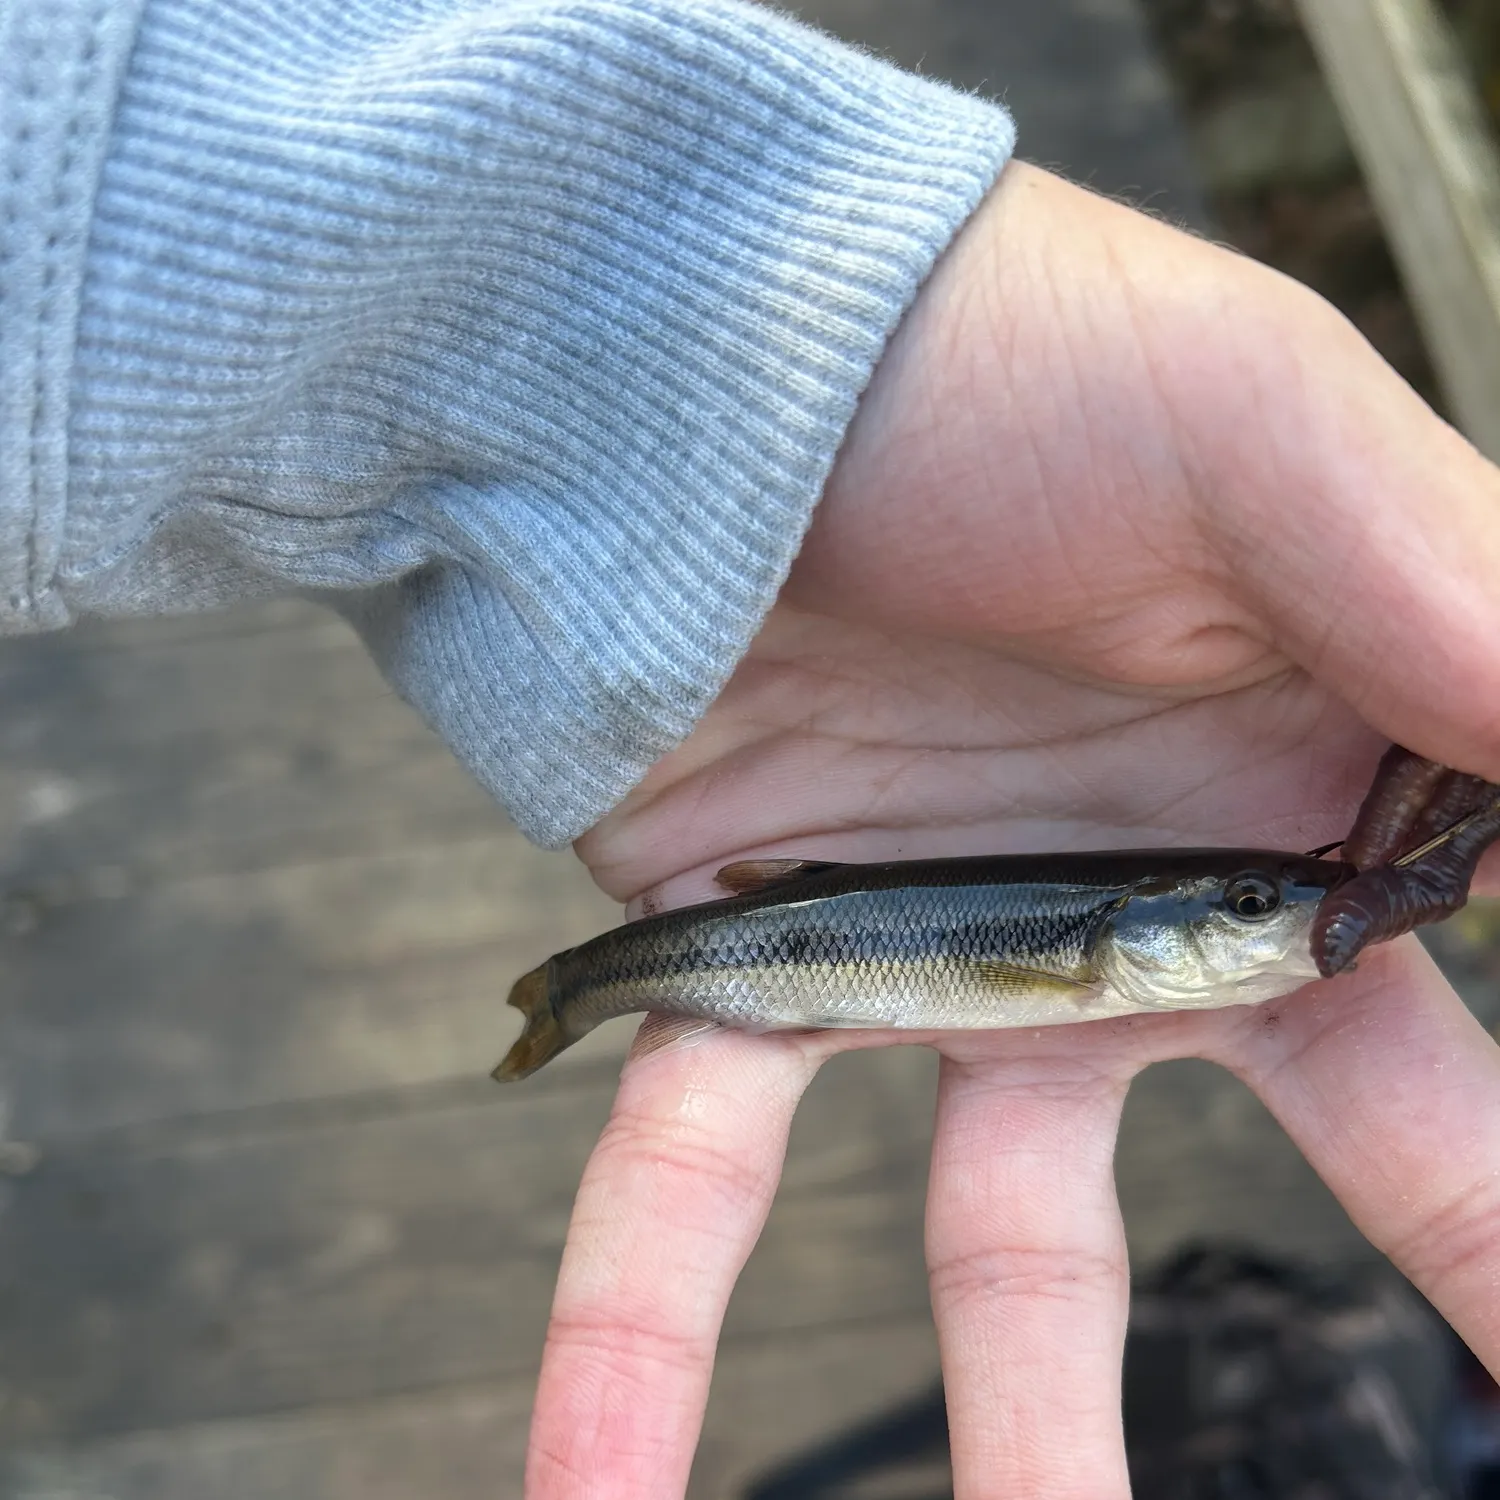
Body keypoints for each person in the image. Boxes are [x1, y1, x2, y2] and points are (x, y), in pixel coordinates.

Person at [6, 0, 1500, 1494]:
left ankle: (579, 995)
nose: (1283, 914)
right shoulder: (1090, 934)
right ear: (1142, 929)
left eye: (1261, 902)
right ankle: (577, 994)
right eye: (1249, 904)